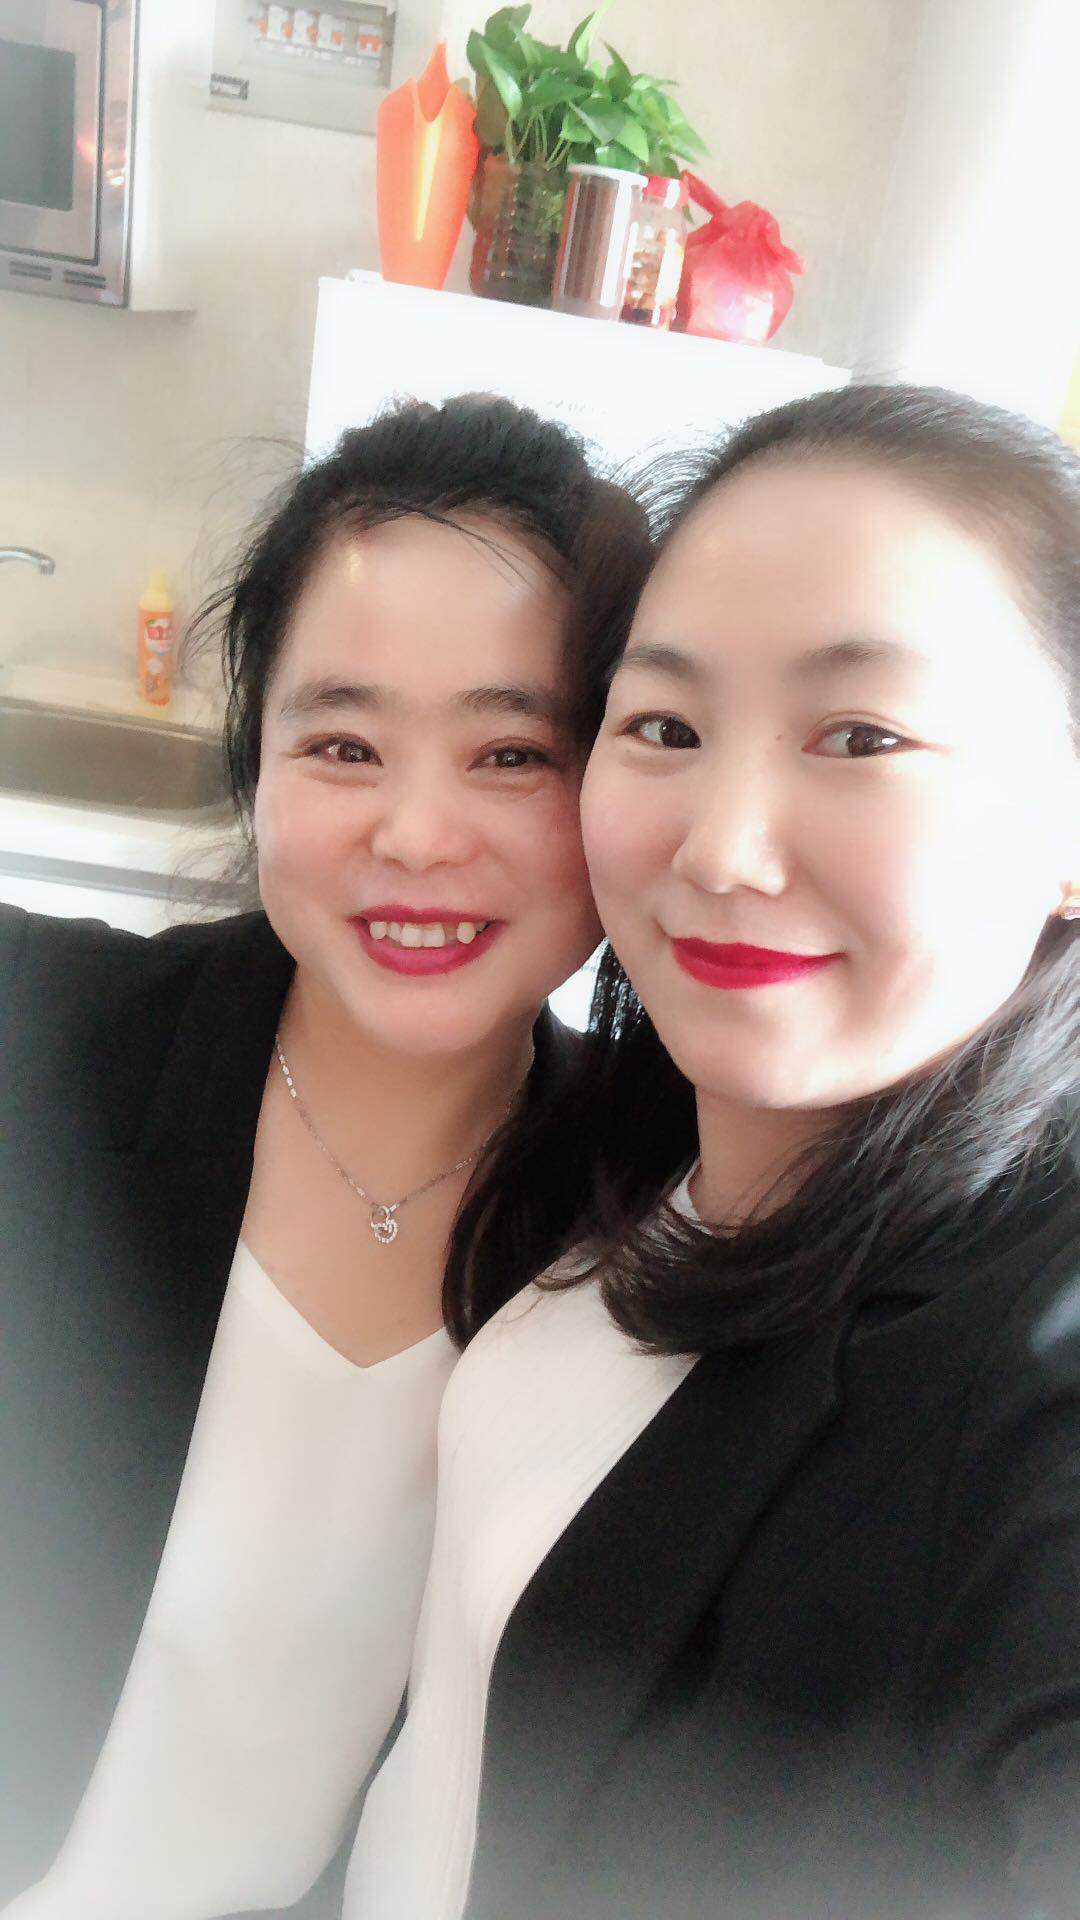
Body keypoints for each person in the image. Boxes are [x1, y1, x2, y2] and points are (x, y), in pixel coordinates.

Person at [347, 384, 1080, 1920]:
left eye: (862, 736)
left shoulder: (1026, 1360)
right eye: (665, 727)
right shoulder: (624, 1134)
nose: (722, 847)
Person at [0, 395, 650, 1918]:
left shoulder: (658, 1209)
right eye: (345, 744)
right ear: (257, 759)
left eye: (513, 752)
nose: (417, 836)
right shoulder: (37, 1042)